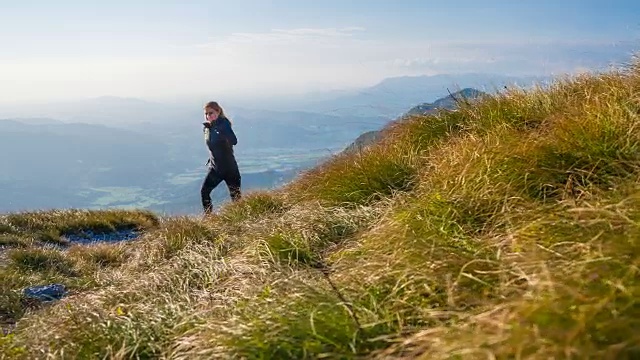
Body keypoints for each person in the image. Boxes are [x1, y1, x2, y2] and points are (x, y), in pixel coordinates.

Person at [200, 101, 241, 214]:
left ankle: (240, 221)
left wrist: (219, 130)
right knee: (204, 192)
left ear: (218, 111)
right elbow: (213, 146)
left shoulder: (224, 124)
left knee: (236, 198)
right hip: (215, 168)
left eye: (211, 113)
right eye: (206, 114)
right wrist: (211, 158)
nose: (209, 116)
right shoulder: (207, 128)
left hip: (229, 168)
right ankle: (209, 219)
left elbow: (234, 141)